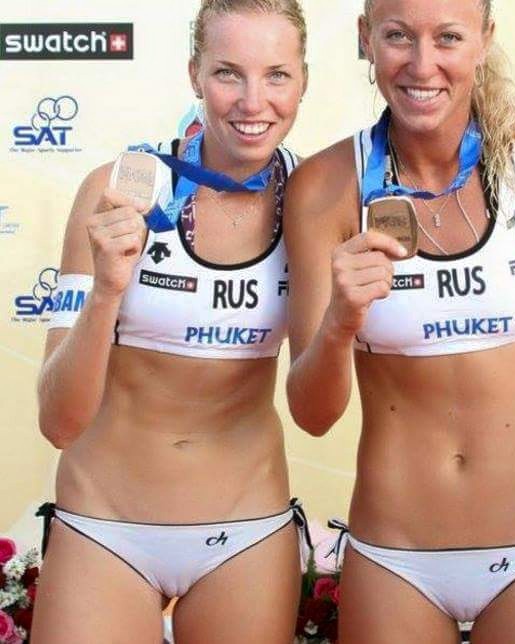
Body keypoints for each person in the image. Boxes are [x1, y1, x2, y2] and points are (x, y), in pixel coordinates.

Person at [284, 1, 515, 642]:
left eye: (448, 37)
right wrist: (338, 323)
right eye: (397, 36)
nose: (423, 65)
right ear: (365, 38)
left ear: (484, 40)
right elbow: (312, 413)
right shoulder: (323, 187)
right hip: (396, 555)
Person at [31, 1, 308, 642]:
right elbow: (57, 420)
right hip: (105, 526)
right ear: (194, 74)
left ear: (303, 81)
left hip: (244, 532)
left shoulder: (315, 197)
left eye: (276, 75)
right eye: (228, 72)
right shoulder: (123, 187)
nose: (253, 101)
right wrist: (107, 290)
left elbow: (321, 401)